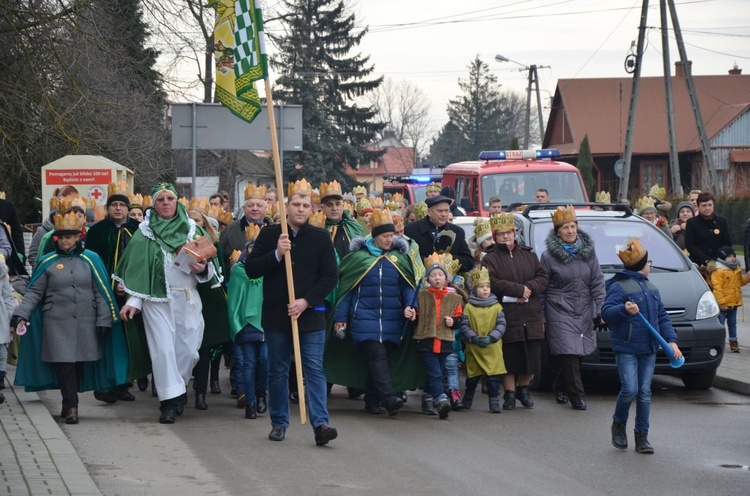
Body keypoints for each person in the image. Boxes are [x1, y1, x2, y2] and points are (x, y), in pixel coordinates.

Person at [114, 183, 222, 424]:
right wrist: (134, 300)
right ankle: (168, 404)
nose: (165, 202)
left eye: (169, 198)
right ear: (154, 203)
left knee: (188, 351)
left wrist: (203, 269)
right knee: (163, 350)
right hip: (157, 300)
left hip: (187, 298)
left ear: (177, 202)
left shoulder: (193, 231)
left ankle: (178, 389)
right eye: (160, 199)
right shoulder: (144, 233)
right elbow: (140, 272)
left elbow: (210, 269)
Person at [244, 179, 339, 445]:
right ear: (286, 207)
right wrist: (276, 253)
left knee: (314, 369)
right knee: (278, 369)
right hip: (277, 315)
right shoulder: (269, 235)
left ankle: (321, 423)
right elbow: (251, 269)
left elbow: (330, 276)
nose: (300, 209)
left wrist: (306, 301)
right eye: (296, 204)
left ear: (311, 209)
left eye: (305, 205)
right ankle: (279, 423)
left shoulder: (320, 237)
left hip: (309, 316)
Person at [11, 211, 128, 424]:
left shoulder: (91, 259)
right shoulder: (47, 261)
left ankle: (69, 402)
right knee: (65, 364)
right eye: (61, 237)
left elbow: (101, 292)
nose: (65, 241)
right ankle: (71, 406)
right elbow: (34, 292)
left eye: (69, 236)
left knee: (78, 365)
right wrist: (20, 313)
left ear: (78, 237)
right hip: (56, 322)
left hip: (86, 322)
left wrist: (104, 320)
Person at [330, 209, 420, 416]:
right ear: (375, 237)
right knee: (377, 354)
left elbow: (407, 286)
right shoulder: (359, 258)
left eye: (392, 236)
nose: (390, 240)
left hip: (392, 320)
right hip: (364, 319)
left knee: (380, 360)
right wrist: (341, 318)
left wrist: (410, 305)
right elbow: (348, 290)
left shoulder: (399, 259)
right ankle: (388, 397)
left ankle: (371, 401)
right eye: (385, 236)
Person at [602, 237, 682, 454]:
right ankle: (619, 423)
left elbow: (662, 317)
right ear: (641, 265)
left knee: (645, 392)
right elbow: (606, 313)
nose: (650, 266)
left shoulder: (651, 287)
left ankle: (642, 436)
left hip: (649, 349)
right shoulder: (618, 287)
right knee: (630, 389)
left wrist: (672, 342)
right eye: (648, 262)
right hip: (627, 348)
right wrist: (624, 310)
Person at [540, 206, 606, 410]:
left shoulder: (589, 252)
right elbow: (542, 289)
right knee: (568, 353)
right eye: (565, 228)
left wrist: (602, 310)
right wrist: (541, 317)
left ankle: (561, 385)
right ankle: (577, 396)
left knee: (579, 354)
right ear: (557, 231)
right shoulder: (548, 256)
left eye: (572, 226)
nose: (570, 231)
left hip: (584, 308)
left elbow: (597, 281)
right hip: (559, 308)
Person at [482, 212, 548, 410]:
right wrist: (517, 289)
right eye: (501, 234)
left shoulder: (528, 254)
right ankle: (509, 394)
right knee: (510, 356)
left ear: (514, 233)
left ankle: (524, 390)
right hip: (507, 313)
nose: (505, 237)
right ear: (495, 236)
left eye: (508, 233)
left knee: (531, 355)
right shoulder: (490, 259)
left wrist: (529, 288)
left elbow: (543, 276)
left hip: (531, 312)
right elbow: (491, 281)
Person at [85, 182, 142, 404]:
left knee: (131, 340)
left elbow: (143, 262)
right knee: (108, 339)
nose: (118, 209)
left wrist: (130, 285)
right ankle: (106, 383)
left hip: (134, 293)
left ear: (128, 208)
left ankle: (124, 384)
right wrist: (110, 284)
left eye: (122, 205)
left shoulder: (138, 230)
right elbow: (92, 264)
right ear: (107, 209)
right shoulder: (97, 232)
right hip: (105, 294)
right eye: (114, 205)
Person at [406, 252, 463, 419]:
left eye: (440, 275)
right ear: (428, 279)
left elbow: (460, 318)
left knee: (437, 372)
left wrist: (454, 321)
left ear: (446, 279)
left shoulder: (454, 298)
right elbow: (415, 316)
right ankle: (441, 399)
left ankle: (428, 399)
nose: (437, 278)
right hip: (427, 341)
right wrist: (412, 316)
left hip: (445, 341)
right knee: (435, 372)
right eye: (433, 275)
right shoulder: (422, 296)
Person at [227, 225, 268, 419]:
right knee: (249, 363)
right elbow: (234, 300)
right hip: (246, 323)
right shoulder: (239, 270)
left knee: (266, 361)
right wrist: (237, 325)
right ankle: (250, 403)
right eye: (253, 247)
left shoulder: (271, 269)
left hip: (267, 323)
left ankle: (261, 394)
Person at [460, 267, 506, 412]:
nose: (485, 289)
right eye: (481, 287)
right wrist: (473, 337)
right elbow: (464, 325)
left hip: (492, 347)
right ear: (474, 290)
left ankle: (494, 402)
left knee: (492, 378)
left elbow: (501, 324)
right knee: (473, 377)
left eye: (487, 286)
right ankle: (468, 398)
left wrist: (492, 337)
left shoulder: (497, 307)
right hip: (475, 347)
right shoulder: (469, 308)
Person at [404, 195, 474, 274]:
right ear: (429, 212)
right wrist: (428, 261)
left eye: (446, 211)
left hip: (448, 283)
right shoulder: (411, 230)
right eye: (440, 211)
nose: (444, 214)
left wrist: (449, 260)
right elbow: (404, 259)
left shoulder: (457, 232)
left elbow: (469, 262)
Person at [220, 184, 272, 270]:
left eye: (259, 205)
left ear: (266, 208)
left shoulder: (275, 229)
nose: (254, 209)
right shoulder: (230, 230)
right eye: (250, 205)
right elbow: (221, 258)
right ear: (244, 208)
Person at [711, 246, 748, 353]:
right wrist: (721, 303)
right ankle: (718, 342)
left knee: (732, 323)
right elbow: (717, 288)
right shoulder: (718, 270)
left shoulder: (735, 269)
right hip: (723, 304)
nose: (732, 258)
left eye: (733, 256)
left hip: (734, 302)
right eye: (729, 256)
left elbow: (740, 282)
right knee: (720, 323)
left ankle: (733, 341)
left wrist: (747, 279)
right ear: (722, 258)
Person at [320, 181, 365, 262]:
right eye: (329, 205)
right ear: (322, 208)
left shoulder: (355, 226)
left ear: (342, 206)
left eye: (337, 204)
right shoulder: (319, 229)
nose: (334, 208)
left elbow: (363, 256)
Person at [685, 192, 731, 267]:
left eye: (710, 205)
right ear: (698, 206)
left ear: (713, 205)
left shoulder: (721, 221)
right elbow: (690, 245)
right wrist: (706, 261)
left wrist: (715, 260)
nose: (707, 208)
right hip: (698, 264)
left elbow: (727, 243)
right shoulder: (691, 223)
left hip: (719, 264)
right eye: (704, 205)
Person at [0, 256, 17, 396]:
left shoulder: (1, 271)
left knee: (1, 352)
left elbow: (7, 297)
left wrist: (12, 319)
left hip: (0, 318)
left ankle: (0, 380)